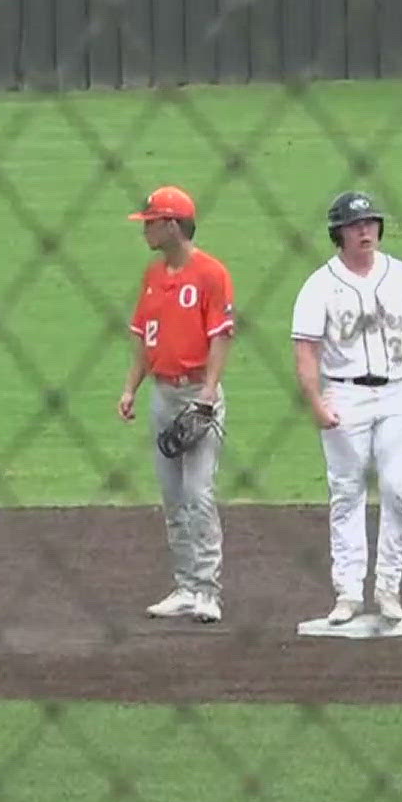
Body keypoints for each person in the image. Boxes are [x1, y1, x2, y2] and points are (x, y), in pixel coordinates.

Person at [289, 190, 402, 625]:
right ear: (338, 233)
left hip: (399, 395)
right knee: (347, 493)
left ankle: (388, 587)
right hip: (344, 396)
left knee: (400, 492)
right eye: (355, 225)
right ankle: (347, 592)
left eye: (370, 223)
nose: (365, 231)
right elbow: (305, 351)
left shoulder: (401, 276)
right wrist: (315, 403)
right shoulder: (319, 285)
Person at [117, 186, 235, 623]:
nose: (145, 229)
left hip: (197, 395)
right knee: (172, 498)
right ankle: (186, 586)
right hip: (163, 395)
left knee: (198, 494)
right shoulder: (153, 276)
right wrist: (131, 388)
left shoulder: (210, 273)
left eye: (151, 221)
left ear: (172, 224)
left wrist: (209, 392)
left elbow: (220, 334)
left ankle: (208, 591)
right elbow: (145, 340)